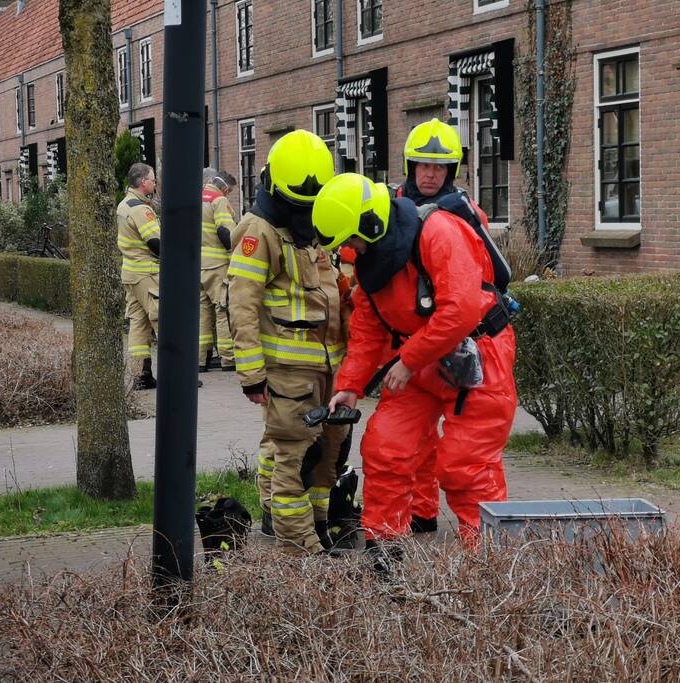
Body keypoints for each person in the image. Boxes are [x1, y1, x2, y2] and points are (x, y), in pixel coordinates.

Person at [314, 119, 517, 563]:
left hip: (479, 357)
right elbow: (369, 323)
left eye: (350, 240)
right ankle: (384, 550)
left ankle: (492, 566)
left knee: (465, 466)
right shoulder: (373, 255)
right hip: (423, 358)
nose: (349, 249)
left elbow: (461, 310)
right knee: (385, 447)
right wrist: (350, 384)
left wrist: (407, 359)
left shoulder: (439, 231)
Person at [227, 129, 349, 555]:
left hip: (328, 365)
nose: (307, 214)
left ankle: (314, 523)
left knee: (327, 451)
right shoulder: (257, 230)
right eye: (299, 205)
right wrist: (252, 375)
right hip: (287, 370)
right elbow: (241, 303)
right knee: (292, 456)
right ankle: (300, 546)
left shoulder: (314, 221)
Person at [116, 162, 160, 390]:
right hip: (147, 273)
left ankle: (140, 375)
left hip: (131, 273)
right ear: (143, 183)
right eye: (152, 179)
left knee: (138, 324)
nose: (154, 183)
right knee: (165, 319)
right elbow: (155, 242)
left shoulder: (124, 204)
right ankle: (178, 373)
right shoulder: (141, 209)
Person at [199, 168, 238, 372]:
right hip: (216, 265)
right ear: (223, 187)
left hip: (197, 264)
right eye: (229, 191)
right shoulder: (219, 200)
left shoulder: (197, 197)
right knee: (222, 309)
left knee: (202, 311)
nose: (228, 195)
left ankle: (200, 359)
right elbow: (225, 231)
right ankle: (228, 358)